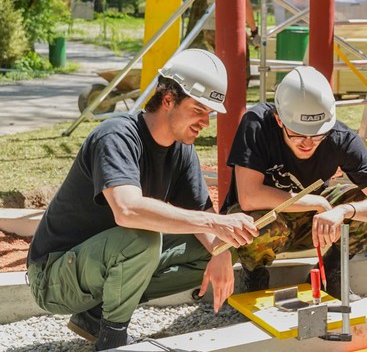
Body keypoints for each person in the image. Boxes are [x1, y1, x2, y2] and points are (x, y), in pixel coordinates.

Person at [27, 49, 259, 350]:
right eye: (199, 110)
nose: (206, 122)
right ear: (168, 100)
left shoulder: (181, 150)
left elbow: (200, 213)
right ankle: (112, 341)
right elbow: (127, 210)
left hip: (101, 262)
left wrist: (222, 250)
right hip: (53, 276)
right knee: (143, 238)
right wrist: (216, 222)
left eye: (209, 114)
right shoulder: (116, 136)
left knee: (223, 246)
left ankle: (94, 314)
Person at [222, 66, 367, 294]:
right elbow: (249, 197)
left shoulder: (340, 138)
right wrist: (316, 203)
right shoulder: (257, 124)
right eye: (297, 134)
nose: (307, 143)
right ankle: (255, 278)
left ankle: (331, 272)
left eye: (316, 135)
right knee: (257, 225)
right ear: (279, 120)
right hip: (268, 220)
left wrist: (344, 210)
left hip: (313, 224)